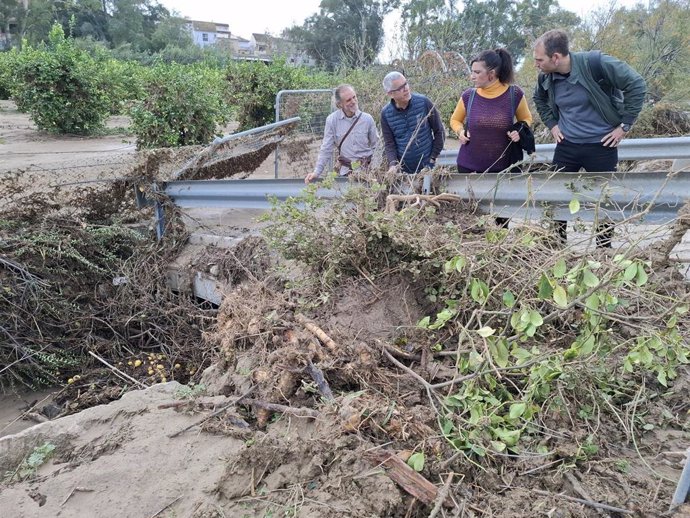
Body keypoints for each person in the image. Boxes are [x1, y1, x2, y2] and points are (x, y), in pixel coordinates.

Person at [533, 29, 646, 246]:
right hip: (567, 145)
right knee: (559, 196)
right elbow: (539, 99)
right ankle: (557, 244)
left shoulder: (596, 64)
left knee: (604, 199)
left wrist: (624, 126)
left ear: (556, 57)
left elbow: (637, 84)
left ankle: (603, 248)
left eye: (540, 60)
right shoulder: (546, 77)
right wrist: (552, 124)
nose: (537, 64)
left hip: (602, 144)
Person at [450, 48, 534, 175]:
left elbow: (527, 119)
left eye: (477, 72)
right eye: (472, 72)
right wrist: (460, 132)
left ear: (492, 73)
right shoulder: (468, 96)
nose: (472, 76)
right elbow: (455, 120)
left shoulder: (514, 94)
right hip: (468, 168)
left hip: (505, 170)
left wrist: (518, 131)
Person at [305, 84, 378, 184]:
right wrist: (316, 172)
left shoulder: (367, 119)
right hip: (346, 174)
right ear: (340, 104)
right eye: (348, 100)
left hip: (368, 173)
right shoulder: (332, 120)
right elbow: (326, 148)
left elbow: (376, 147)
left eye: (354, 97)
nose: (353, 101)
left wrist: (375, 170)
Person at [381, 72, 445, 174]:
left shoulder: (423, 102)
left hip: (428, 168)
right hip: (404, 171)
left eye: (405, 84)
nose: (406, 89)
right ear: (390, 94)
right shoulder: (386, 113)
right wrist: (393, 165)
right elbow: (389, 144)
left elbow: (439, 131)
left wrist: (432, 159)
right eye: (400, 88)